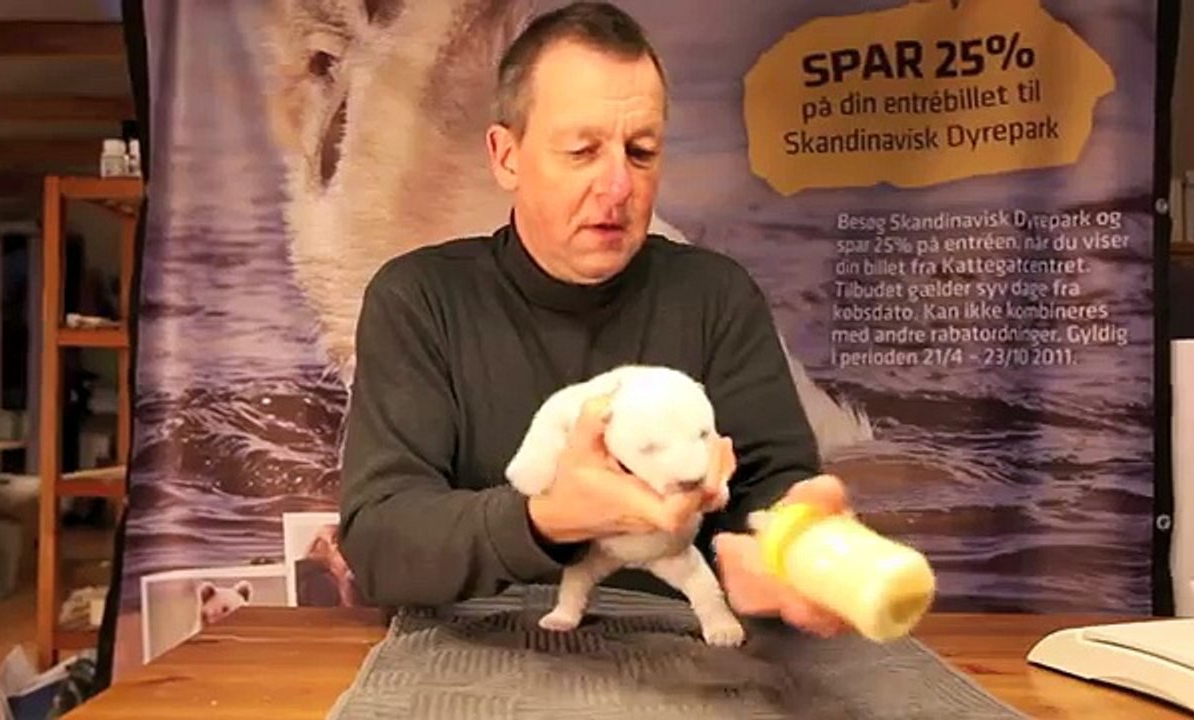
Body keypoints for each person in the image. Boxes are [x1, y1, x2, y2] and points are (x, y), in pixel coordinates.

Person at [338, 0, 850, 637]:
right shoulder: (418, 300)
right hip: (475, 659)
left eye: (640, 152)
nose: (617, 187)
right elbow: (382, 543)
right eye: (582, 151)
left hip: (684, 664)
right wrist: (546, 518)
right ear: (506, 156)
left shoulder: (717, 297)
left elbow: (771, 488)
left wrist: (793, 543)